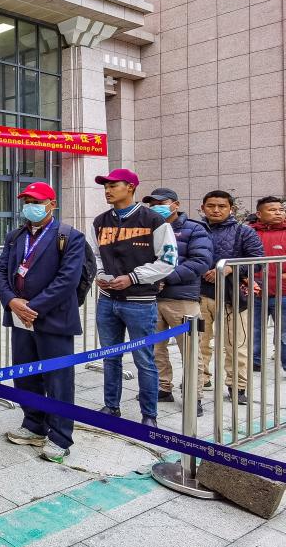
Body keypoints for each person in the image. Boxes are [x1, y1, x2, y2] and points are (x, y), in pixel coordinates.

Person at [0, 182, 85, 462]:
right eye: (27, 201)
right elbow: (1, 271)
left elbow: (67, 280)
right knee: (25, 374)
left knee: (58, 379)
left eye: (36, 201)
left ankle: (60, 436)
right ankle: (34, 424)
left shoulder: (69, 236)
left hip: (53, 318)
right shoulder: (15, 236)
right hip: (20, 318)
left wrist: (32, 308)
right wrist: (11, 301)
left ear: (51, 205)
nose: (30, 207)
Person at [86, 169, 177, 428]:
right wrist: (100, 274)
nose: (107, 190)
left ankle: (149, 415)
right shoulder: (100, 221)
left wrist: (133, 277)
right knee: (110, 357)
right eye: (105, 186)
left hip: (140, 301)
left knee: (144, 360)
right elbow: (94, 255)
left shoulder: (154, 220)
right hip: (107, 300)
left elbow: (168, 260)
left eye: (113, 185)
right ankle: (111, 406)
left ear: (131, 187)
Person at [143, 188, 212, 417]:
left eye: (161, 203)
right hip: (151, 298)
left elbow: (200, 261)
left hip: (182, 299)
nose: (156, 208)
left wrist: (165, 277)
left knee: (190, 351)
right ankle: (163, 388)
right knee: (155, 349)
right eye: (152, 205)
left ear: (176, 204)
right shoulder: (147, 228)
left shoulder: (194, 229)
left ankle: (194, 396)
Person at [199, 190, 263, 404]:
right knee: (199, 343)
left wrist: (230, 268)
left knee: (236, 344)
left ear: (231, 209)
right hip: (199, 295)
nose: (216, 210)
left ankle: (237, 386)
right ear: (203, 208)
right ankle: (201, 379)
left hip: (233, 297)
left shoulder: (244, 232)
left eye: (222, 206)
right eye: (211, 206)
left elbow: (258, 261)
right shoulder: (196, 229)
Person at [250, 196, 286, 373]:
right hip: (254, 292)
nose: (278, 213)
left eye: (281, 209)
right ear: (259, 214)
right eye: (272, 210)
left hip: (283, 293)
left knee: (285, 333)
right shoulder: (249, 233)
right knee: (254, 330)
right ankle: (254, 362)